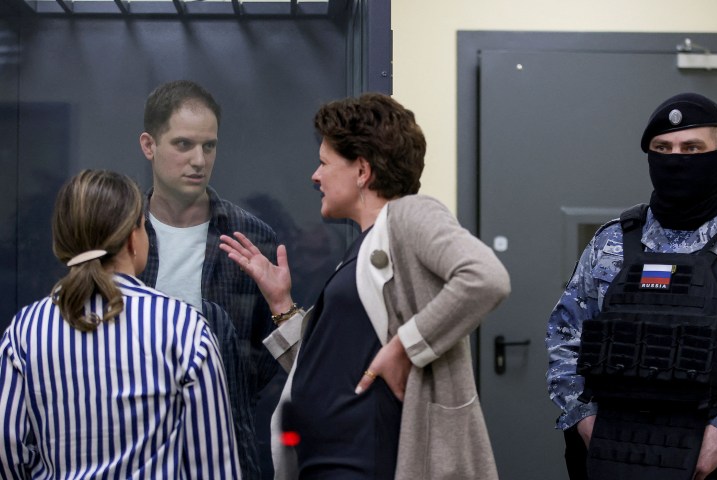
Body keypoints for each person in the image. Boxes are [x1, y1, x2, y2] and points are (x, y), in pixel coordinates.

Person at [219, 92, 511, 479]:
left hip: (368, 461)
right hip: (331, 462)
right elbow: (333, 369)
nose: (315, 175)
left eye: (324, 163)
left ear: (362, 171)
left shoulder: (410, 214)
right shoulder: (363, 247)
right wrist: (282, 305)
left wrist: (405, 347)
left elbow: (486, 277)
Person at [547, 92, 717, 480]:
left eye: (692, 148)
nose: (676, 159)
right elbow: (564, 336)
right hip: (615, 454)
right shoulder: (611, 242)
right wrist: (584, 418)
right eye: (663, 148)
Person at [0, 169, 240, 478]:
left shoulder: (26, 331)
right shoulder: (183, 328)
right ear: (132, 238)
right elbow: (213, 468)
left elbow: (8, 450)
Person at [138, 79, 279, 479]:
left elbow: (267, 353)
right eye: (183, 144)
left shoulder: (250, 237)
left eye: (209, 146)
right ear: (149, 145)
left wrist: (224, 397)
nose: (199, 160)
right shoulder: (120, 233)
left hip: (224, 443)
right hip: (134, 439)